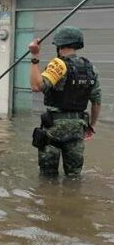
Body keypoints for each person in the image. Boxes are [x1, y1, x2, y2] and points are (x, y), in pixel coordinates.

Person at [29, 26, 101, 177]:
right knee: (74, 177)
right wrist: (91, 126)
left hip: (53, 130)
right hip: (77, 129)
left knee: (48, 178)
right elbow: (96, 102)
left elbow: (37, 86)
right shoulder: (91, 68)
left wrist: (34, 57)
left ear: (59, 45)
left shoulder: (59, 64)